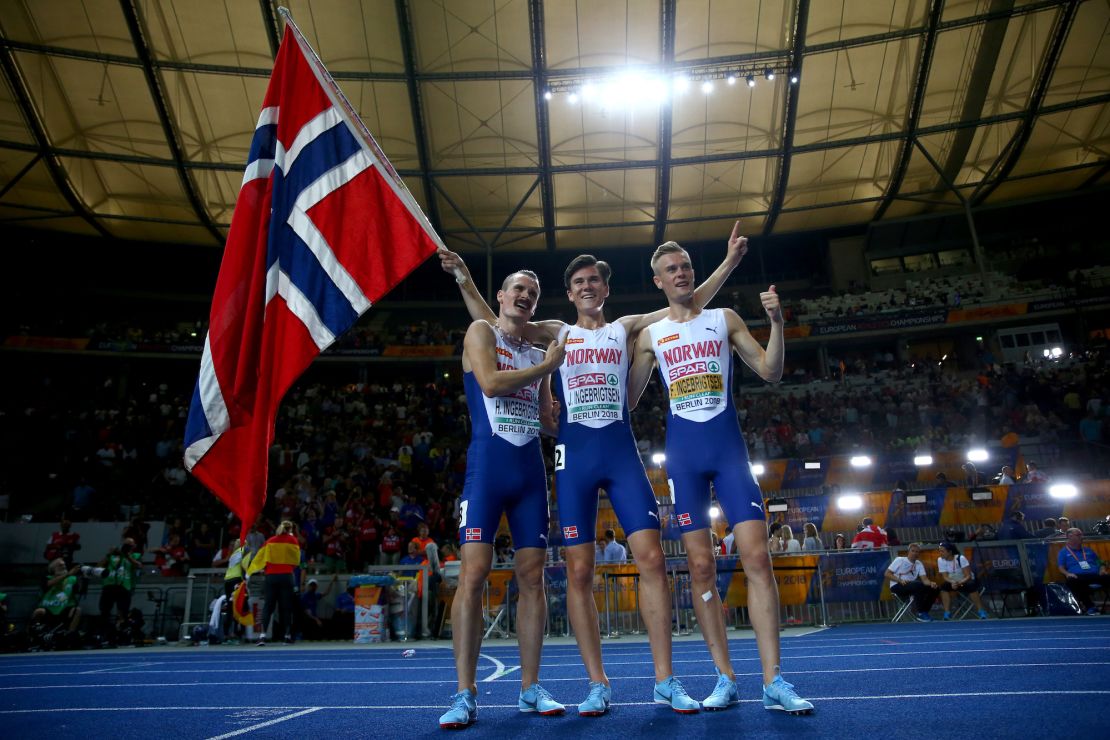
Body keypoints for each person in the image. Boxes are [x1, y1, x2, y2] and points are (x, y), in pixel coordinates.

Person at [440, 226, 743, 717]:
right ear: (570, 291)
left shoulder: (626, 327)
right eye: (578, 280)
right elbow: (500, 326)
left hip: (621, 455)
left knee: (651, 560)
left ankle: (665, 680)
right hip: (573, 458)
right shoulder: (556, 333)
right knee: (579, 571)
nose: (586, 286)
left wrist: (727, 264)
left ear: (604, 289)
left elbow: (684, 303)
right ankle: (597, 683)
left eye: (594, 281)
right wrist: (465, 281)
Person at [628, 239, 813, 715]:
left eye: (686, 266)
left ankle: (774, 681)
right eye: (671, 269)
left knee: (757, 559)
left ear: (693, 272)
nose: (681, 273)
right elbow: (625, 402)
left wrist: (775, 322)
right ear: (659, 281)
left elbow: (771, 371)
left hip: (730, 454)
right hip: (683, 461)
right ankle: (725, 677)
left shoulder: (724, 319)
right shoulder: (651, 336)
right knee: (702, 568)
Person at [437, 268, 567, 730]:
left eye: (533, 293)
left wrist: (593, 410)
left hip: (531, 471)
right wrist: (547, 367)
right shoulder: (480, 332)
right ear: (501, 296)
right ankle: (464, 692)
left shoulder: (536, 350)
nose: (526, 296)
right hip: (488, 468)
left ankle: (530, 688)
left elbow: (549, 421)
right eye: (519, 289)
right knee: (473, 575)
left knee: (533, 579)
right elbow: (491, 384)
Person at [247, 520, 301, 645]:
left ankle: (262, 636)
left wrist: (250, 571)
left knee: (268, 606)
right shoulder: (293, 541)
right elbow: (296, 560)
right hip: (287, 576)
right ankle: (287, 636)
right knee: (286, 607)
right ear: (290, 529)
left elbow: (259, 558)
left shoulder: (270, 541)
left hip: (271, 577)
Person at [98, 538, 142, 645]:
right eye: (125, 544)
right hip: (109, 585)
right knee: (105, 611)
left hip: (124, 587)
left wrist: (127, 555)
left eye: (130, 545)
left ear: (134, 546)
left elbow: (138, 566)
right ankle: (104, 635)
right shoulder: (113, 556)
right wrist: (109, 554)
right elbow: (99, 566)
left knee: (122, 612)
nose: (127, 546)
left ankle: (122, 634)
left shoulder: (134, 555)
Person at [1057, 528, 1110, 615]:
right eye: (1078, 535)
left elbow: (1100, 562)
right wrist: (1067, 574)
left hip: (1095, 575)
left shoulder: (1088, 550)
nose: (1082, 537)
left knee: (1107, 577)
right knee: (1072, 582)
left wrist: (1102, 569)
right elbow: (1061, 567)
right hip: (1078, 577)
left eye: (1081, 534)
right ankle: (1090, 607)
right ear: (1070, 536)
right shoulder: (1063, 552)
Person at [885, 543, 940, 622]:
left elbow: (925, 580)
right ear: (908, 552)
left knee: (935, 588)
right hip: (897, 586)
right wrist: (900, 580)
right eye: (913, 551)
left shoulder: (919, 563)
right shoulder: (899, 560)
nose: (915, 553)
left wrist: (931, 583)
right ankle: (920, 612)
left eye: (917, 551)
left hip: (912, 586)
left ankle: (924, 612)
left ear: (919, 553)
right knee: (918, 585)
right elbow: (887, 573)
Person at [936, 542, 988, 620]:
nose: (940, 553)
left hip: (965, 581)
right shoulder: (940, 560)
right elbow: (945, 577)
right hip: (953, 581)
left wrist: (959, 583)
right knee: (943, 587)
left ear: (950, 552)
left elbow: (968, 576)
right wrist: (953, 582)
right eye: (939, 551)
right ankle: (947, 613)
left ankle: (981, 611)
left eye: (942, 551)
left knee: (971, 586)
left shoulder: (960, 558)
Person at [213, 537, 249, 642]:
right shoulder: (240, 554)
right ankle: (237, 633)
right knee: (241, 606)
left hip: (229, 581)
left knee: (231, 607)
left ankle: (227, 633)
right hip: (236, 581)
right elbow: (245, 568)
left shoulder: (234, 555)